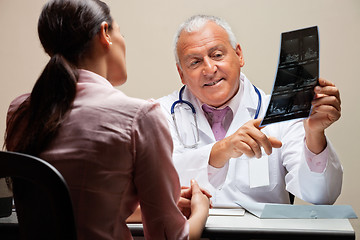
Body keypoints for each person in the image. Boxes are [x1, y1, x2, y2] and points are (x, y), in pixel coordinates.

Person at [4, 1, 210, 239]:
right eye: (121, 32)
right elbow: (171, 237)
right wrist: (200, 209)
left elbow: (71, 207)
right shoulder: (140, 116)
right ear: (105, 33)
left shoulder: (19, 111)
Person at [158, 15, 343, 206]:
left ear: (239, 55)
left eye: (217, 55)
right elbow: (155, 186)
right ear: (181, 73)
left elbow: (321, 196)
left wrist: (314, 133)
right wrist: (221, 150)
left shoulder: (282, 112)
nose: (209, 69)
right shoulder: (158, 114)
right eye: (195, 62)